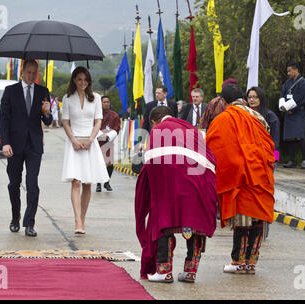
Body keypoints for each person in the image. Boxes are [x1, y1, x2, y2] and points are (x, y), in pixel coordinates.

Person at [135, 106, 217, 283]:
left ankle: (164, 271)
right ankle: (190, 271)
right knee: (194, 225)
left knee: (164, 221)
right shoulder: (191, 129)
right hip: (201, 185)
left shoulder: (158, 130)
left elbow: (151, 164)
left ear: (154, 122)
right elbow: (210, 157)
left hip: (173, 187)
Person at [206, 84, 275, 275]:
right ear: (243, 99)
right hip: (262, 175)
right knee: (258, 220)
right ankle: (251, 263)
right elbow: (269, 143)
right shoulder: (257, 116)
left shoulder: (225, 118)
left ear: (225, 101)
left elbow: (214, 147)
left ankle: (237, 262)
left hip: (242, 177)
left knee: (242, 221)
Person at [0, 59, 52, 237]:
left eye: (34, 73)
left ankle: (29, 223)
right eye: (28, 72)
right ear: (22, 72)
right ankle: (15, 217)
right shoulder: (10, 91)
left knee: (32, 183)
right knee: (14, 183)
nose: (31, 76)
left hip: (34, 145)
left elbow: (48, 121)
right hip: (13, 145)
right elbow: (4, 119)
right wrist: (5, 142)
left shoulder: (43, 91)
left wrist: (47, 112)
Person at [61, 66, 109, 235]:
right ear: (74, 80)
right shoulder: (67, 98)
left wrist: (91, 139)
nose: (82, 82)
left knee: (88, 182)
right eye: (79, 79)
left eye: (85, 79)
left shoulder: (95, 98)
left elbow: (98, 121)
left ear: (88, 81)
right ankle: (77, 220)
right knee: (76, 182)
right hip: (74, 143)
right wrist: (73, 140)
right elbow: (65, 122)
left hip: (90, 142)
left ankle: (83, 218)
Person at [279, 61, 305, 169]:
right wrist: (283, 107)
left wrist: (289, 107)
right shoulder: (287, 83)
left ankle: (304, 160)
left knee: (299, 136)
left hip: (298, 112)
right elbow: (283, 95)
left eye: (290, 71)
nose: (288, 73)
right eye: (287, 71)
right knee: (289, 137)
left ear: (296, 70)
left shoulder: (303, 83)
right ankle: (292, 160)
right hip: (288, 112)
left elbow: (300, 98)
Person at [246, 86, 280, 165]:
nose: (251, 100)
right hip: (249, 156)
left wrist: (275, 158)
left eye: (255, 97)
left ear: (261, 98)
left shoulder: (270, 117)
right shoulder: (244, 114)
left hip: (266, 156)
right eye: (249, 97)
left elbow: (275, 139)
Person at [96, 96, 121, 192]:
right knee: (99, 163)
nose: (106, 103)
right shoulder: (97, 115)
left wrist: (108, 135)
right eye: (104, 102)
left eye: (108, 102)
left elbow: (117, 128)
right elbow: (94, 126)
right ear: (101, 103)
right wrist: (101, 134)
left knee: (110, 164)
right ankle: (98, 184)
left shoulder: (114, 115)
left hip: (109, 142)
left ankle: (107, 182)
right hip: (98, 142)